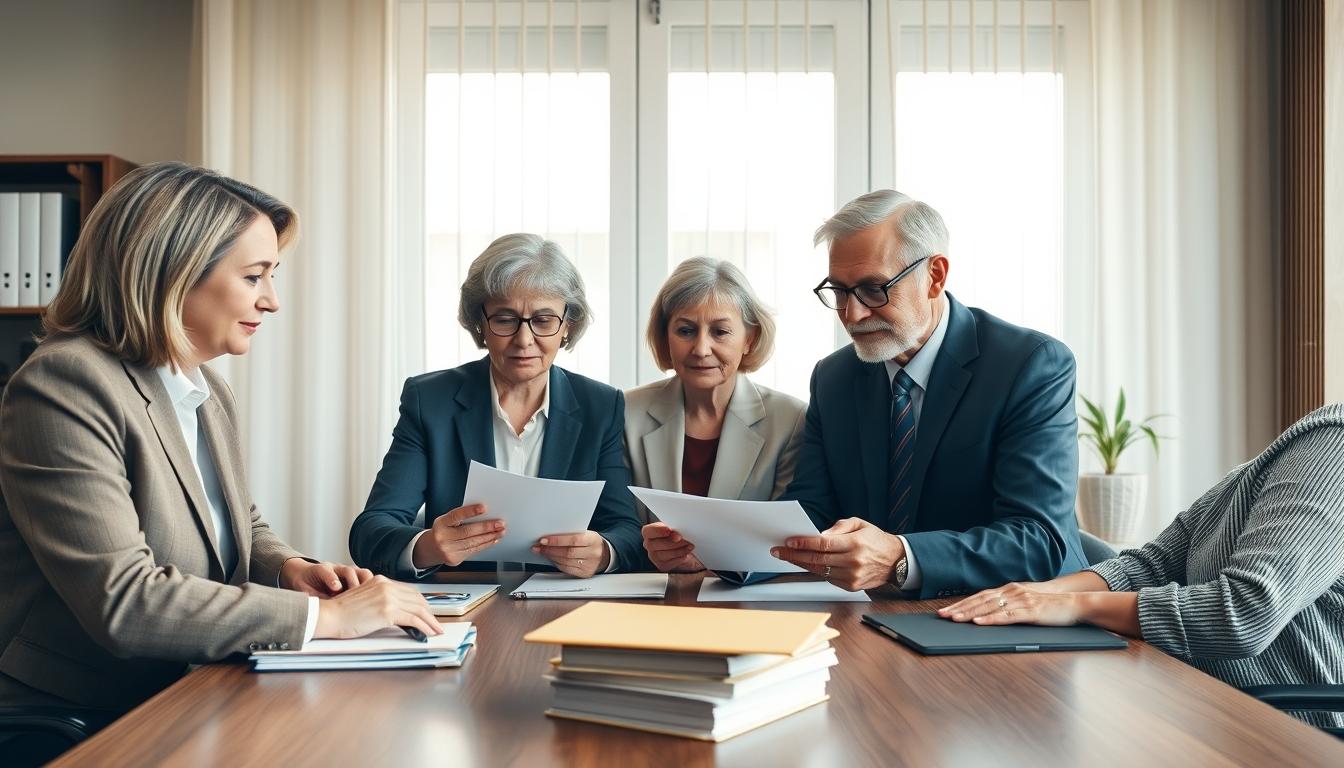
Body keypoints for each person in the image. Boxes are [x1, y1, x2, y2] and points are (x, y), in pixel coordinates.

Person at [0, 163, 441, 720]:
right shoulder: (64, 384)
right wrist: (323, 620)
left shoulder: (205, 387)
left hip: (189, 686)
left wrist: (289, 570)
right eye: (254, 277)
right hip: (78, 713)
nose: (272, 301)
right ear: (173, 273)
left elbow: (235, 522)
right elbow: (124, 601)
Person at [941, 404, 1344, 727]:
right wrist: (1033, 596)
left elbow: (1245, 612)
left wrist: (1073, 606)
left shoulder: (1334, 447)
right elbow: (1153, 564)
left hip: (1284, 734)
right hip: (1204, 708)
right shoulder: (1289, 454)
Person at [771, 190, 1087, 596]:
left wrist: (900, 558)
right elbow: (811, 514)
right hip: (879, 615)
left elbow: (1037, 539)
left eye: (873, 290)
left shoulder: (1031, 366)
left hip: (1017, 613)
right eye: (840, 292)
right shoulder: (833, 378)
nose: (852, 315)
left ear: (935, 276)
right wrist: (719, 552)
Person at [349, 234, 642, 578]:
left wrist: (603, 553)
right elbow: (370, 531)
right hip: (466, 603)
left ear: (567, 326)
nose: (524, 339)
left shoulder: (601, 406)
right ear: (480, 323)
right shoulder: (430, 401)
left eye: (543, 320)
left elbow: (627, 532)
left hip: (565, 603)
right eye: (505, 319)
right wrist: (429, 546)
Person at [626, 257, 806, 579]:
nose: (701, 348)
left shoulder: (790, 420)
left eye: (720, 331)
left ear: (749, 339)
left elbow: (785, 541)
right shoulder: (627, 412)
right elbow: (620, 527)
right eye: (685, 330)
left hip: (743, 601)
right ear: (665, 335)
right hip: (650, 599)